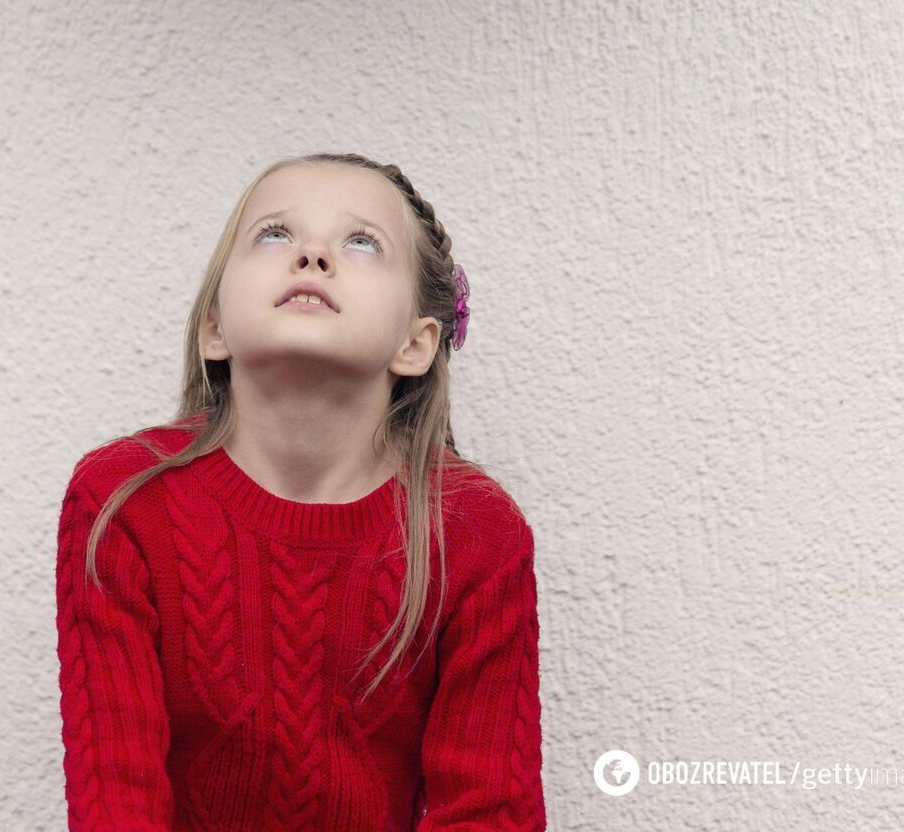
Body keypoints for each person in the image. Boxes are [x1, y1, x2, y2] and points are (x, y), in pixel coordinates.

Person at [55, 148, 547, 829]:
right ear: (215, 327)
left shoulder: (473, 532)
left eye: (361, 241)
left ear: (417, 343)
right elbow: (117, 801)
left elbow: (488, 811)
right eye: (275, 233)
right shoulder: (121, 501)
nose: (312, 253)